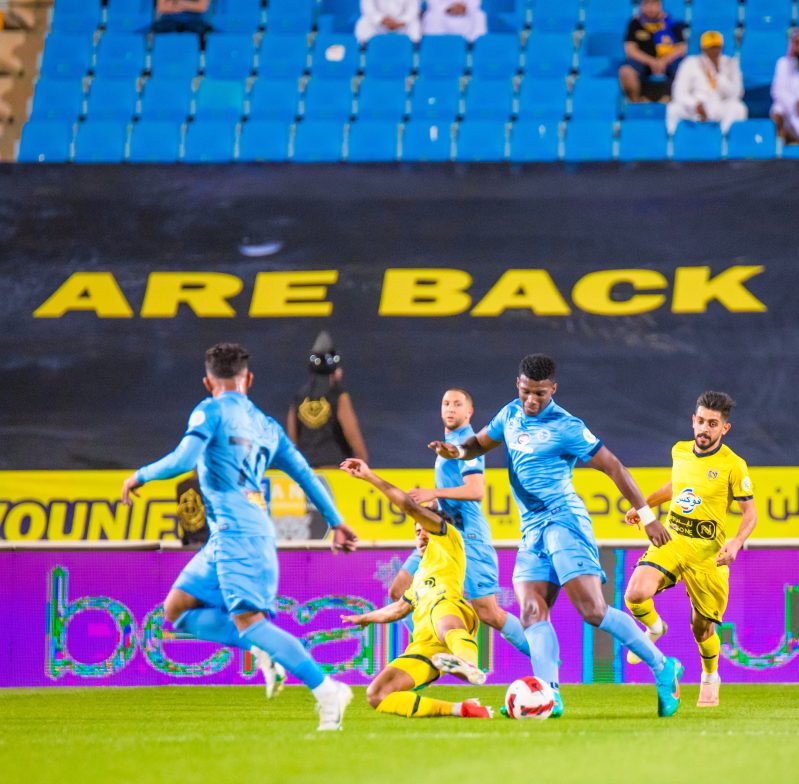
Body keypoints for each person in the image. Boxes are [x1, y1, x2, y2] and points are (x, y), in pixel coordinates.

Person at [429, 354, 683, 718]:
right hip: (531, 530)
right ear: (518, 384)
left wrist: (647, 516)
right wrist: (454, 450)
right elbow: (478, 444)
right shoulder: (509, 414)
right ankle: (548, 695)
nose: (532, 401)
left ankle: (663, 667)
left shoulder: (567, 426)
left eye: (540, 395)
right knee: (532, 611)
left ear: (554, 390)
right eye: (526, 392)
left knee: (592, 611)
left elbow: (613, 466)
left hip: (564, 522)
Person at [121, 342, 359, 730]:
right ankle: (266, 652)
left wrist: (139, 475)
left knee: (252, 623)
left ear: (207, 381)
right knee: (176, 610)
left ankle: (327, 689)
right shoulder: (267, 425)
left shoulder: (209, 410)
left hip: (238, 533)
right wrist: (335, 520)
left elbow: (182, 461)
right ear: (248, 379)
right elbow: (305, 475)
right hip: (230, 535)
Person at [624, 391, 757, 708]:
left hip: (708, 556)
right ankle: (655, 627)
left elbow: (750, 513)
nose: (704, 429)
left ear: (724, 428)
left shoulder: (733, 466)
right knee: (635, 593)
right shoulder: (680, 451)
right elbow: (677, 486)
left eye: (713, 423)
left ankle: (710, 677)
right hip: (672, 541)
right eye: (700, 421)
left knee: (702, 627)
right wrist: (643, 506)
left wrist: (736, 542)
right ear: (693, 421)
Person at [340, 458, 493, 720]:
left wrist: (370, 477)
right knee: (377, 694)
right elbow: (399, 609)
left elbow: (409, 506)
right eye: (417, 532)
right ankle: (462, 709)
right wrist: (364, 618)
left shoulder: (449, 541)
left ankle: (468, 664)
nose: (422, 535)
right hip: (427, 648)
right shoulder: (420, 576)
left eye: (426, 530)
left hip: (451, 614)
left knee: (441, 614)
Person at [390, 388, 530, 658]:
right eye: (445, 403)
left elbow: (476, 490)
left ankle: (543, 659)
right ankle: (433, 650)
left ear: (469, 412)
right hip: (440, 535)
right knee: (399, 590)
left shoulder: (467, 443)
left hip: (468, 536)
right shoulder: (450, 443)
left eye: (457, 404)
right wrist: (434, 505)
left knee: (488, 611)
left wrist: (435, 494)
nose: (450, 408)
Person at [287, 331, 368, 469]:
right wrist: (363, 461)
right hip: (334, 468)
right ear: (335, 369)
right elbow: (351, 432)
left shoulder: (299, 397)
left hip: (307, 472)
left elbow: (291, 436)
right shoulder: (339, 396)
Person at [666, 31, 746, 134]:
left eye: (716, 47)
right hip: (695, 106)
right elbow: (678, 92)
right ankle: (672, 141)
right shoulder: (690, 62)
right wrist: (695, 105)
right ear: (703, 48)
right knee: (673, 108)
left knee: (738, 108)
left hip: (719, 105)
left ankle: (724, 140)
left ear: (721, 47)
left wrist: (719, 75)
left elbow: (737, 94)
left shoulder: (730, 63)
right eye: (710, 48)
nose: (713, 51)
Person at [619, 0, 687, 103]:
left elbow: (682, 47)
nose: (650, 8)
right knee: (626, 72)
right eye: (647, 4)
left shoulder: (671, 23)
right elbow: (630, 49)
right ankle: (636, 103)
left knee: (686, 69)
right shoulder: (635, 23)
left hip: (668, 61)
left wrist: (663, 61)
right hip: (643, 62)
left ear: (660, 5)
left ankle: (675, 101)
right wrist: (652, 62)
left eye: (654, 4)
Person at [771, 29, 799, 145]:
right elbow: (777, 91)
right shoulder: (783, 63)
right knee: (777, 109)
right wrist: (794, 103)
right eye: (797, 43)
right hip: (789, 108)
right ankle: (782, 144)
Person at [355, 0, 421, 44]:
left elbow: (413, 9)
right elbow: (367, 8)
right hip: (379, 23)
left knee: (414, 25)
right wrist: (383, 20)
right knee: (364, 23)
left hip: (402, 24)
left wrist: (401, 22)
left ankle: (415, 56)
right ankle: (363, 55)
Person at [421, 1, 486, 43]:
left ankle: (474, 47)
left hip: (465, 14)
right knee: (431, 16)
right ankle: (435, 45)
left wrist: (465, 8)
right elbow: (432, 3)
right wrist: (447, 8)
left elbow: (475, 3)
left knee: (479, 15)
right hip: (441, 13)